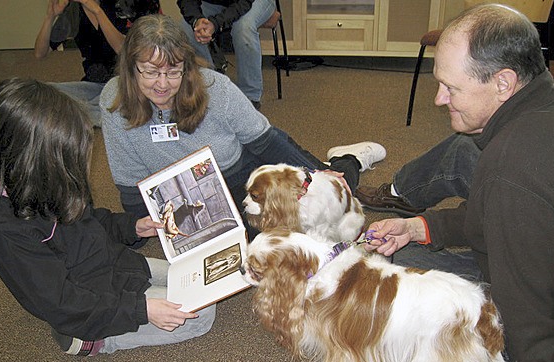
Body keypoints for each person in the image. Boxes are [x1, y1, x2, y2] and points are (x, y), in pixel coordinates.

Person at [362, 5, 554, 362]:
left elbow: (528, 302)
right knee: (411, 245)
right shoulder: (552, 105)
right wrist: (421, 226)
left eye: (451, 87)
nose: (439, 99)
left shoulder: (512, 172)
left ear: (503, 82)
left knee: (399, 279)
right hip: (541, 252)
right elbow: (490, 215)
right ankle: (404, 200)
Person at [0, 77, 215, 356]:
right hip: (88, 307)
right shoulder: (7, 231)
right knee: (200, 316)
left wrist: (132, 227)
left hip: (115, 266)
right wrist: (141, 310)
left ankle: (141, 299)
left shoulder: (48, 176)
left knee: (203, 282)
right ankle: (95, 341)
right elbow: (60, 301)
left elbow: (89, 219)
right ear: (33, 156)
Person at [99, 13, 386, 224]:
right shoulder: (114, 101)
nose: (162, 84)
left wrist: (315, 174)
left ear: (186, 68)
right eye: (150, 72)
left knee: (326, 207)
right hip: (181, 195)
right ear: (130, 68)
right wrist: (138, 222)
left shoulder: (215, 87)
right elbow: (129, 180)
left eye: (173, 72)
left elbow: (265, 141)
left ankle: (348, 161)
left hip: (241, 174)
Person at [34, 0, 159, 126]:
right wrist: (50, 16)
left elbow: (123, 50)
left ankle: (80, 112)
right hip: (94, 86)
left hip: (127, 82)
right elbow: (40, 52)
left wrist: (97, 11)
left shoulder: (124, 5)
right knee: (44, 92)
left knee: (119, 95)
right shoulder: (74, 11)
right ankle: (97, 111)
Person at [176, 0, 278, 109]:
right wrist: (196, 21)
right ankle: (212, 87)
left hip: (253, 1)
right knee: (187, 28)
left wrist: (215, 23)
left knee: (243, 28)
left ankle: (251, 97)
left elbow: (244, 3)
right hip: (214, 3)